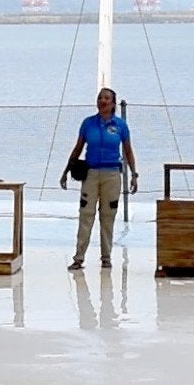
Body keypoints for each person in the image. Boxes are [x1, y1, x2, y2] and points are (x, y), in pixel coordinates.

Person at [60, 87, 139, 270]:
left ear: (112, 103)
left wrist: (134, 175)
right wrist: (66, 171)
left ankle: (106, 257)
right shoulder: (88, 123)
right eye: (99, 97)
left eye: (106, 98)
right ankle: (79, 258)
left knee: (107, 216)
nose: (102, 101)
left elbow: (128, 151)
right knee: (86, 215)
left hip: (112, 174)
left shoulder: (120, 125)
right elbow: (78, 148)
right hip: (91, 174)